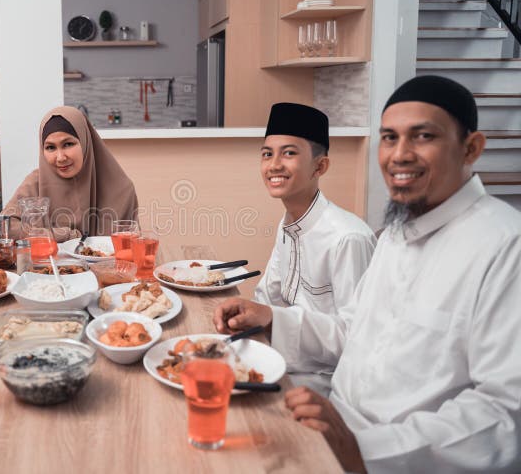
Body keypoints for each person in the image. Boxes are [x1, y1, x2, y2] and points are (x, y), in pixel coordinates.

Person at [213, 75, 521, 473]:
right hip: (332, 420)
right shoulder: (397, 233)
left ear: (471, 148)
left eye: (423, 136)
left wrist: (363, 448)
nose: (400, 154)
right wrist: (273, 319)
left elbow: (504, 415)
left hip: (393, 457)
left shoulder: (504, 245)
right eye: (389, 138)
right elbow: (350, 330)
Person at [218, 102, 375, 395]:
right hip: (284, 359)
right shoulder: (289, 223)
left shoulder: (348, 238)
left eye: (289, 153)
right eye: (267, 154)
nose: (274, 165)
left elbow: (355, 340)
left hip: (326, 382)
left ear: (320, 166)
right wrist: (245, 316)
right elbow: (270, 294)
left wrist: (272, 319)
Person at [1, 106, 138, 241]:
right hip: (47, 263)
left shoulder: (121, 189)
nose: (60, 157)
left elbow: (133, 248)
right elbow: (1, 226)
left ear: (85, 142)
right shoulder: (36, 182)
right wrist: (63, 235)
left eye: (68, 144)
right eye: (50, 147)